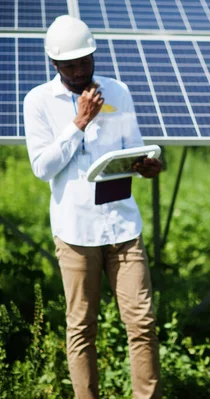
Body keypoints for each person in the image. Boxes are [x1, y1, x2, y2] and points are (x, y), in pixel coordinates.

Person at [23, 15, 162, 399]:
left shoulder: (118, 91)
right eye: (71, 64)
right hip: (75, 231)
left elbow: (132, 147)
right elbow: (42, 167)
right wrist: (79, 122)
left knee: (142, 325)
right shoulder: (37, 101)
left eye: (86, 61)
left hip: (122, 226)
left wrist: (147, 164)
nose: (81, 69)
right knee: (81, 327)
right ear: (54, 64)